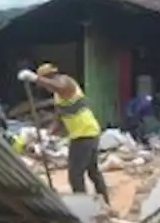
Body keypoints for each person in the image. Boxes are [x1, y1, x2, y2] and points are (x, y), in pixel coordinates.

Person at [18, 63, 109, 203]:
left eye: (45, 83)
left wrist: (35, 78)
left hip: (83, 134)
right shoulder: (58, 96)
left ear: (50, 77)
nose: (45, 88)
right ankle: (105, 203)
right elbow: (59, 118)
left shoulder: (66, 82)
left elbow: (59, 87)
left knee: (75, 175)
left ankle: (83, 205)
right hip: (87, 133)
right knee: (93, 171)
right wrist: (46, 134)